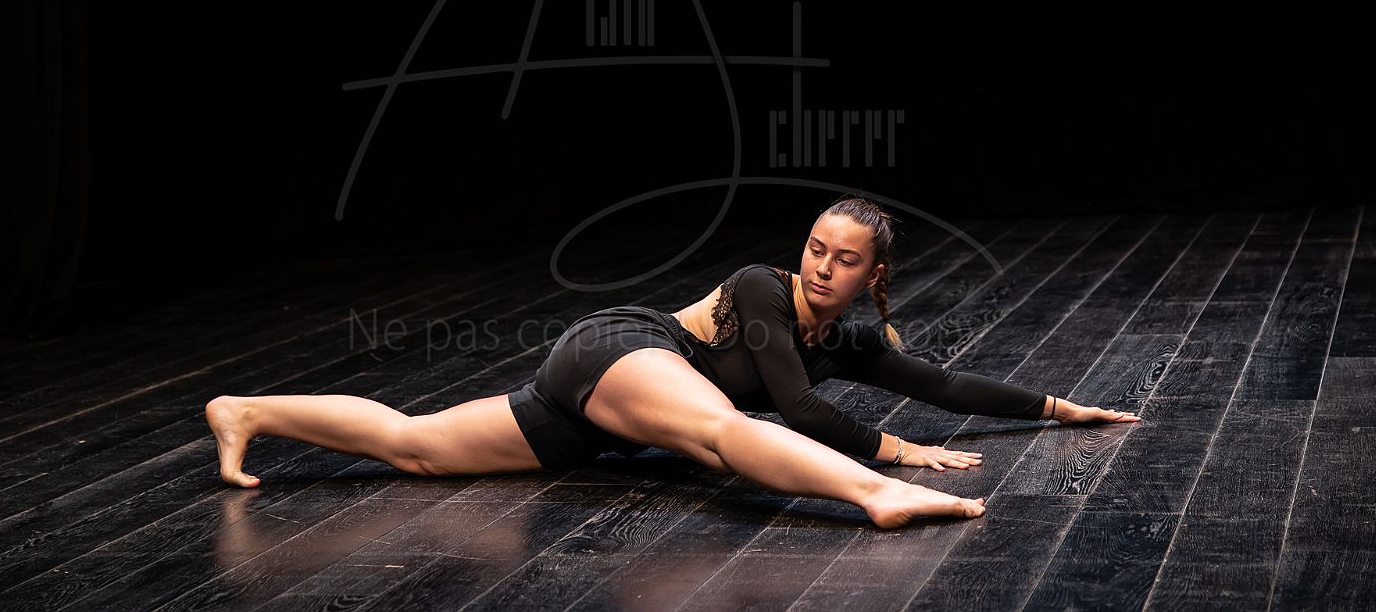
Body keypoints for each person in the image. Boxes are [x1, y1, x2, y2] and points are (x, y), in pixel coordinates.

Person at [205, 196, 1139, 529]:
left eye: (845, 260)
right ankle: (874, 501)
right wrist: (891, 457)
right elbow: (795, 409)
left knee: (415, 449)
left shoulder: (850, 338)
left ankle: (246, 410)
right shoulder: (761, 288)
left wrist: (1060, 408)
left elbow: (943, 383)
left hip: (602, 413)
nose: (822, 267)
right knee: (721, 433)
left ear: (874, 275)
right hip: (623, 349)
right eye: (816, 248)